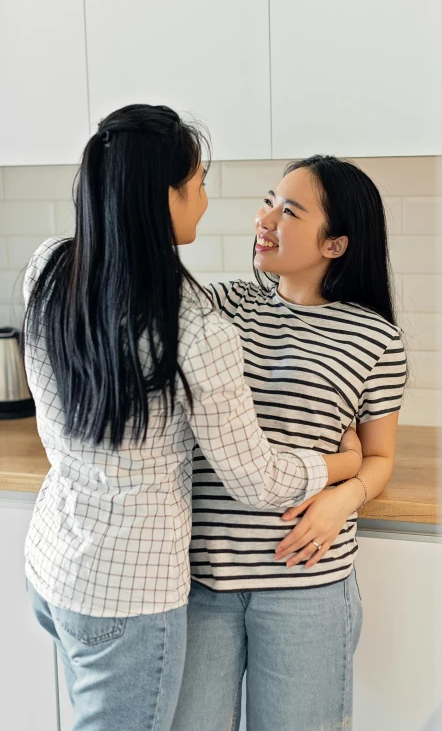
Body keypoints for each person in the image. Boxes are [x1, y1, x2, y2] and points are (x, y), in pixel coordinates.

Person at [22, 109, 361, 731]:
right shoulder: (196, 327)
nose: (207, 201)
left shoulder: (50, 268)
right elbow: (257, 480)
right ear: (164, 198)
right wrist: (343, 464)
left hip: (53, 565)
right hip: (129, 594)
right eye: (199, 184)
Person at [174, 155, 407, 731]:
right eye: (269, 200)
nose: (266, 218)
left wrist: (341, 499)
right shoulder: (220, 304)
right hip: (204, 581)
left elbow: (378, 459)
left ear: (335, 245)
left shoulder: (376, 339)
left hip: (308, 587)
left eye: (291, 210)